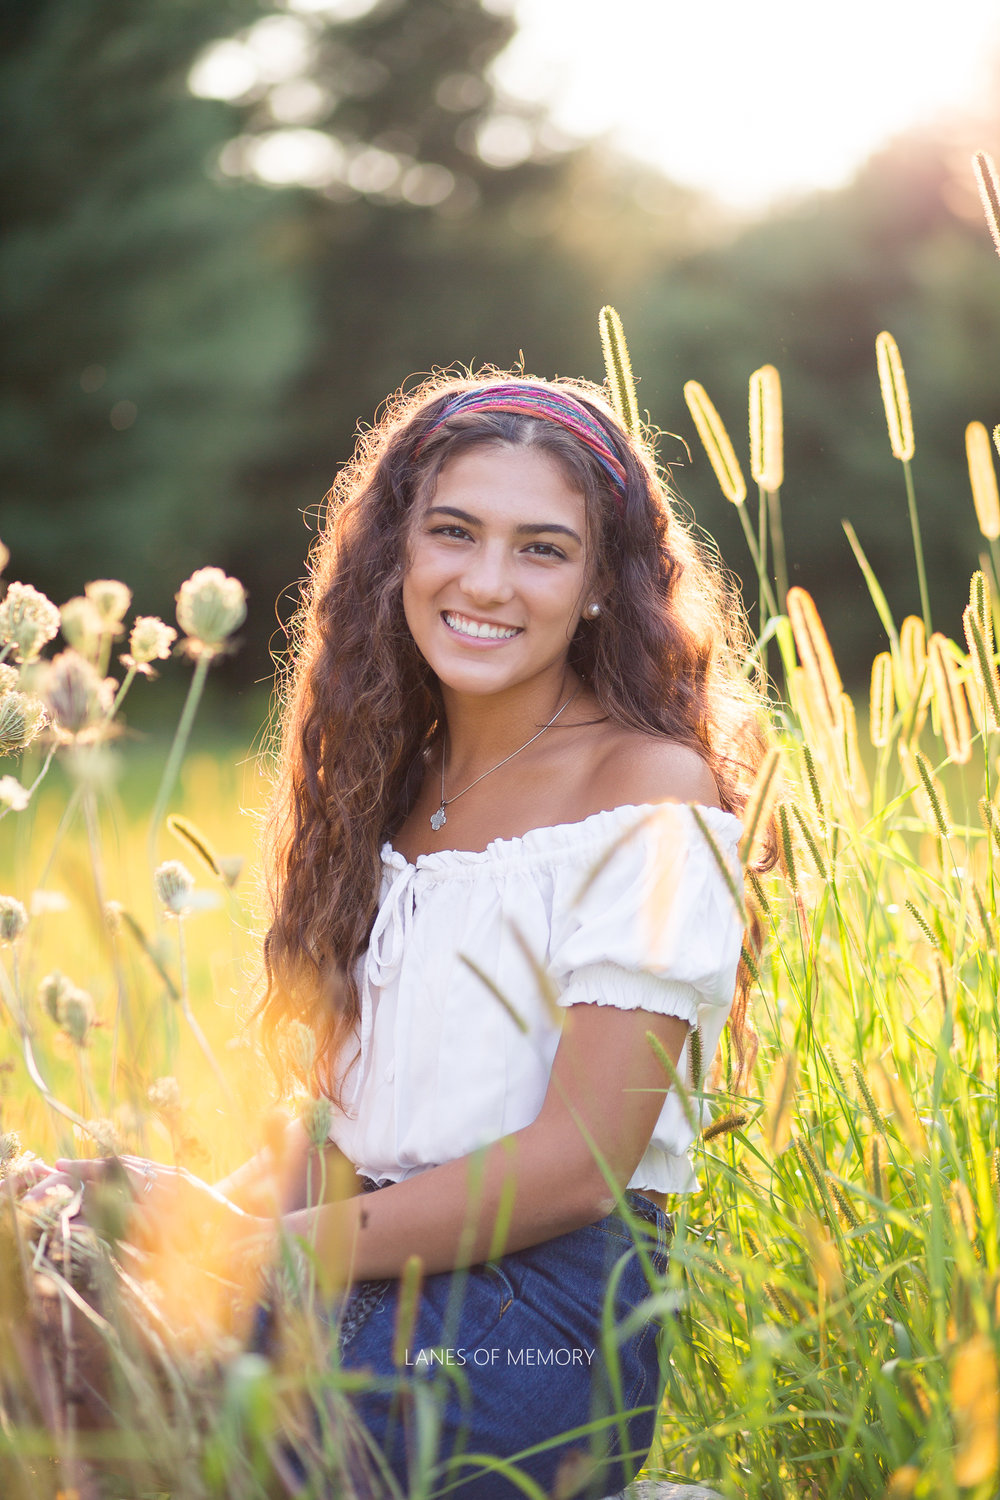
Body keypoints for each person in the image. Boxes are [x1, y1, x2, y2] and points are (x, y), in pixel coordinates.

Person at [22, 372, 772, 1499]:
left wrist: (257, 1256)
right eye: (454, 532)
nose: (484, 582)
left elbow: (578, 1167)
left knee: (134, 1417)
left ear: (602, 587)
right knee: (40, 1246)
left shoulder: (650, 792)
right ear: (398, 554)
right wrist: (193, 1229)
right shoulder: (392, 782)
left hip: (521, 1323)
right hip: (348, 1249)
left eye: (541, 549)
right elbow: (347, 1120)